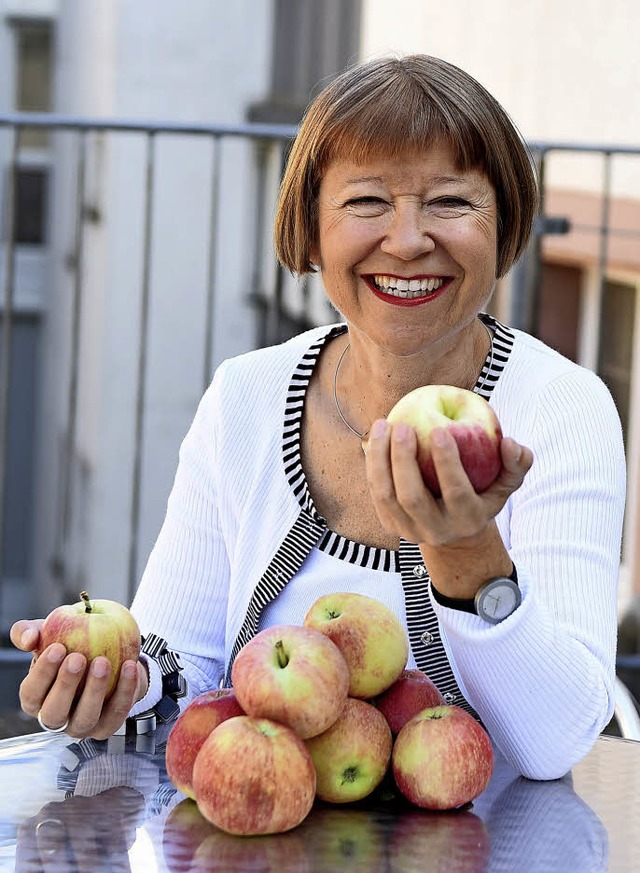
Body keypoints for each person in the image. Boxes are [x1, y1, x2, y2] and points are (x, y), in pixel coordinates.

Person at [10, 54, 626, 780]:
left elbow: (556, 743)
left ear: (505, 227)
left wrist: (467, 556)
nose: (406, 240)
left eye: (451, 203)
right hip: (256, 863)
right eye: (367, 202)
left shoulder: (561, 407)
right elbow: (186, 663)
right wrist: (120, 686)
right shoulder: (247, 395)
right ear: (310, 233)